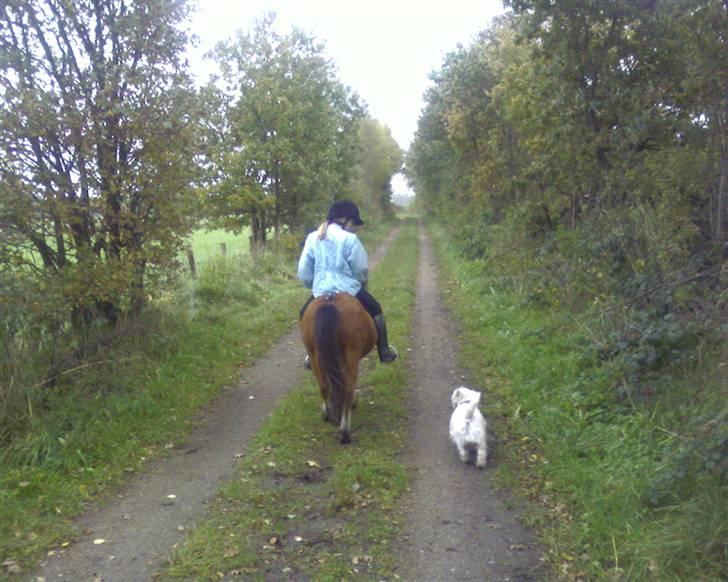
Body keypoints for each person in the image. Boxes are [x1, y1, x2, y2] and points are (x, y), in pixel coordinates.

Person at [297, 200, 398, 364]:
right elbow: (361, 269)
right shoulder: (349, 238)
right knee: (376, 309)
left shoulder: (312, 237)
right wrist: (358, 281)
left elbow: (304, 271)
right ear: (344, 219)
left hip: (320, 289)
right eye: (353, 223)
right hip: (348, 288)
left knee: (304, 314)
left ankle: (311, 354)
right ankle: (384, 350)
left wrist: (313, 285)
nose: (353, 227)